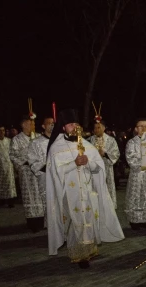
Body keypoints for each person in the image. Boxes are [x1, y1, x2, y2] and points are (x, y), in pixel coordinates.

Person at [45, 109, 124, 268]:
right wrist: (73, 163)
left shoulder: (87, 145)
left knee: (88, 219)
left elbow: (98, 168)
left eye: (76, 124)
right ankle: (79, 254)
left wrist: (88, 162)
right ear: (63, 127)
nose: (74, 127)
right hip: (69, 192)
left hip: (87, 191)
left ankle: (89, 250)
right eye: (70, 124)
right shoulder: (56, 148)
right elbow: (54, 172)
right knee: (75, 222)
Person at [10, 116, 45, 232]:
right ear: (24, 125)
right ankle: (33, 224)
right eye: (31, 124)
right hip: (26, 172)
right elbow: (13, 155)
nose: (33, 126)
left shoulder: (39, 137)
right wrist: (25, 160)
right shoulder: (16, 139)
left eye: (34, 124)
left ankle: (44, 221)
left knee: (41, 195)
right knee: (30, 197)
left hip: (39, 171)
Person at [27, 116, 54, 224]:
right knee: (49, 202)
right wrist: (47, 167)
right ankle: (52, 229)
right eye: (49, 123)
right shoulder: (36, 142)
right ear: (43, 126)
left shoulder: (60, 140)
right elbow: (32, 161)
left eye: (53, 123)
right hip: (46, 177)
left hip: (61, 177)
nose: (52, 125)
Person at [89, 120, 120, 209]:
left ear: (104, 128)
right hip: (93, 170)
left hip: (107, 168)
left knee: (107, 187)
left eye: (98, 127)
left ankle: (108, 208)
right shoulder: (90, 140)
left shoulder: (111, 140)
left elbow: (116, 154)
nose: (96, 130)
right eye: (95, 128)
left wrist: (105, 154)